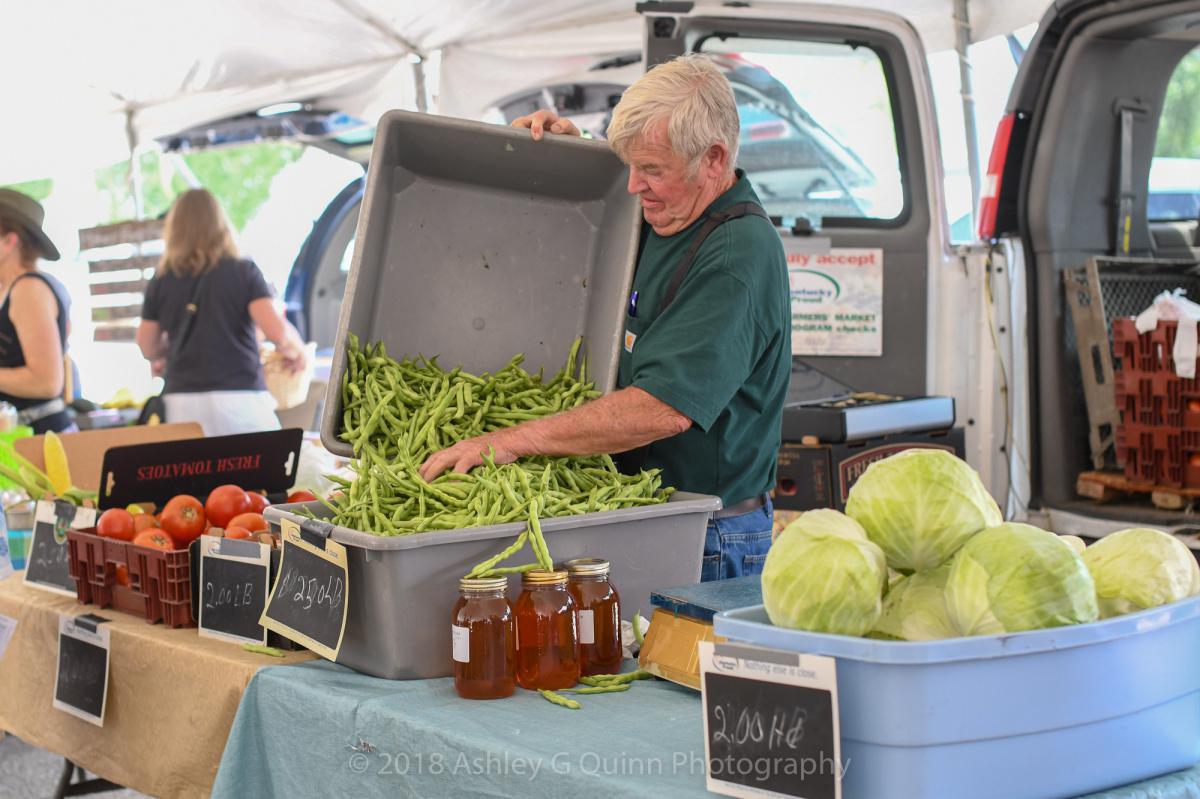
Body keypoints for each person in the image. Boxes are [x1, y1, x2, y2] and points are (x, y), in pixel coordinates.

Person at [420, 55, 792, 581]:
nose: (634, 186)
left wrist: (506, 441)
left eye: (652, 170)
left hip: (707, 535)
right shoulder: (665, 209)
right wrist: (571, 160)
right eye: (629, 166)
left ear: (713, 159)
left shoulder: (736, 254)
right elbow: (589, 237)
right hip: (634, 510)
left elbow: (660, 411)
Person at [136, 189, 306, 437]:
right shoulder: (243, 271)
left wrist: (175, 347)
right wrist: (296, 352)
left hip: (182, 402)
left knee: (195, 474)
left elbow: (147, 347)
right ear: (220, 224)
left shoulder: (162, 279)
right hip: (239, 399)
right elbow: (276, 331)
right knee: (260, 472)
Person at [0, 189, 74, 433]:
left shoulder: (28, 289)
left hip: (38, 438)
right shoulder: (16, 289)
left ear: (9, 241)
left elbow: (47, 382)